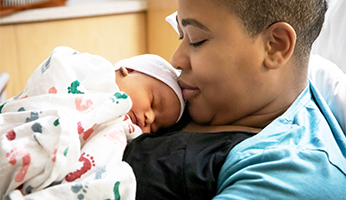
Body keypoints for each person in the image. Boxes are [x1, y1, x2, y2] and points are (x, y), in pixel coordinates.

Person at [123, 0, 346, 199]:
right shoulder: (194, 94)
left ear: (275, 46)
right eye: (181, 36)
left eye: (196, 40)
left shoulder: (290, 171)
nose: (176, 59)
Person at [0, 46, 184, 199]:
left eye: (156, 127)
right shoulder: (93, 71)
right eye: (153, 102)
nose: (149, 119)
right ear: (128, 71)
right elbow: (57, 66)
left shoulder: (120, 127)